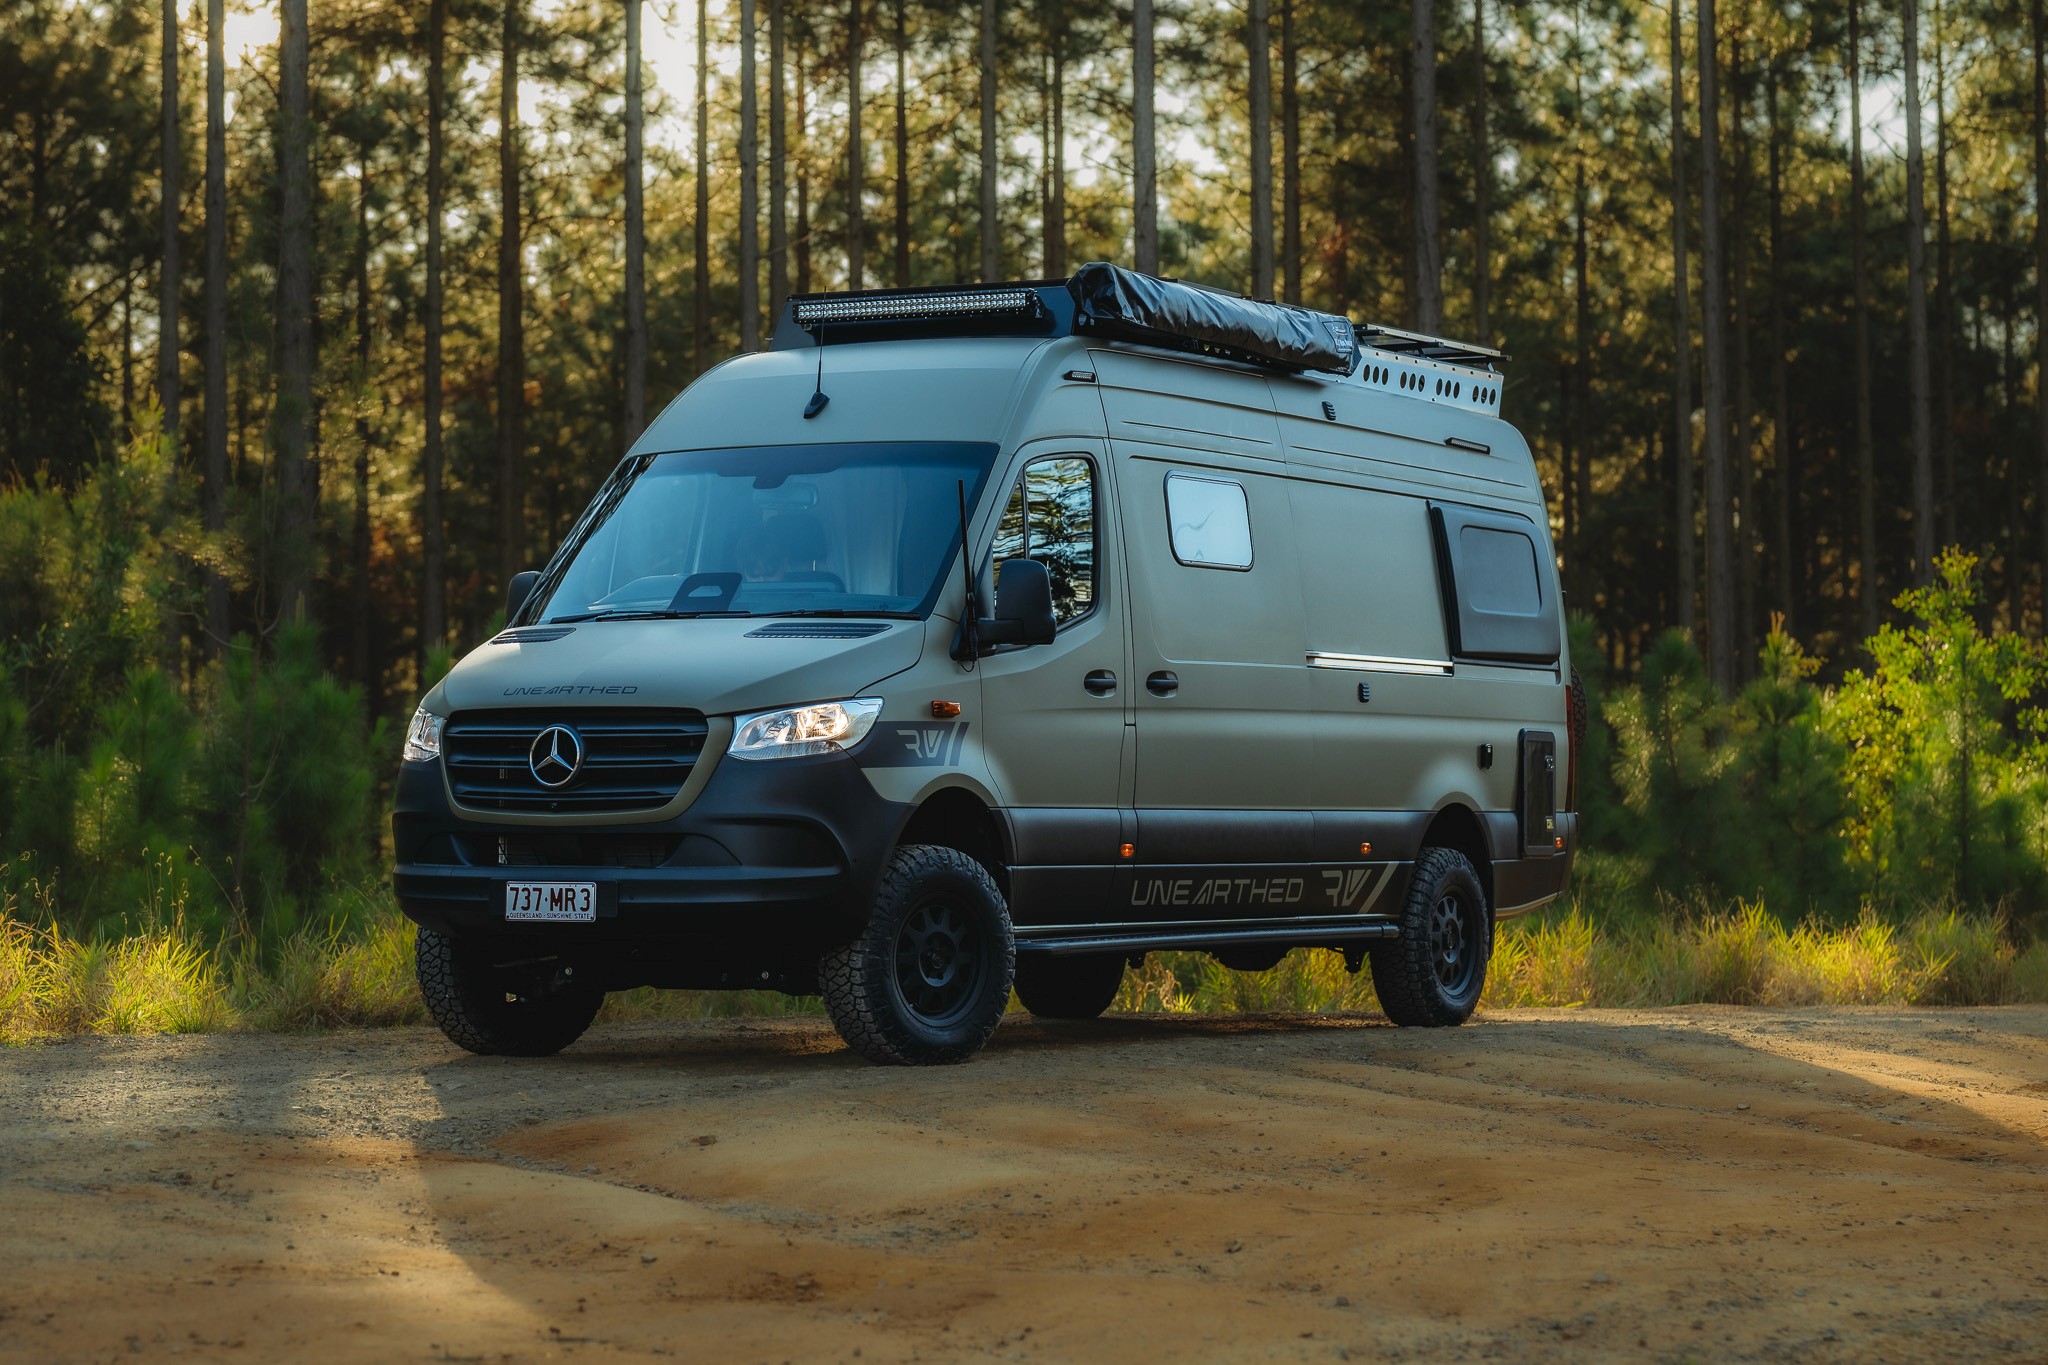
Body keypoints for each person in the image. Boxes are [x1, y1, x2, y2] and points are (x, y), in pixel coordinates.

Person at [737, 512, 831, 583]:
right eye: (754, 575)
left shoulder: (814, 599)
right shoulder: (733, 605)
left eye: (770, 574)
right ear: (744, 572)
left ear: (785, 564)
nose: (762, 581)